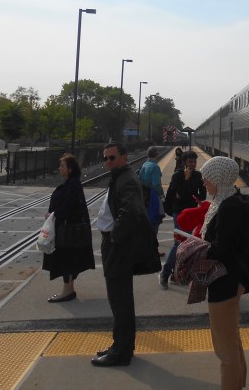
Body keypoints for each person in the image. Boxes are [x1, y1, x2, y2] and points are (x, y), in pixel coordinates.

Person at [93, 142, 161, 367]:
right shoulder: (122, 176)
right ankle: (121, 346)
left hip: (118, 247)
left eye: (112, 158)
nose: (107, 162)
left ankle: (120, 352)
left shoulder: (126, 179)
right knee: (120, 301)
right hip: (117, 246)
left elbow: (131, 211)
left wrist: (114, 236)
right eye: (105, 158)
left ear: (124, 157)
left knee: (120, 301)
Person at [199, 156, 249, 390]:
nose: (204, 182)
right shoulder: (228, 200)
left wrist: (197, 247)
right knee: (232, 342)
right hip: (230, 280)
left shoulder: (228, 207)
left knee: (225, 350)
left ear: (219, 178)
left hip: (225, 282)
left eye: (207, 178)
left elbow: (222, 249)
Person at [42, 153, 95, 303]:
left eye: (62, 166)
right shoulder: (72, 183)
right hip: (69, 229)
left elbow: (67, 208)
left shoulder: (72, 185)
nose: (59, 169)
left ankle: (66, 291)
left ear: (70, 169)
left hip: (68, 230)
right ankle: (69, 290)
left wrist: (52, 216)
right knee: (69, 259)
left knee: (66, 259)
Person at [159, 151, 207, 288]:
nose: (193, 164)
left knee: (185, 244)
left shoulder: (198, 175)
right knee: (179, 243)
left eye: (194, 162)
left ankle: (176, 273)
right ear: (184, 162)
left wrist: (200, 186)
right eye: (190, 162)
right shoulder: (177, 176)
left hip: (191, 213)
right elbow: (180, 194)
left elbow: (202, 195)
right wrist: (186, 180)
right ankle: (166, 273)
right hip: (179, 212)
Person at [139, 146, 165, 235]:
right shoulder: (155, 167)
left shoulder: (144, 165)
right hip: (152, 197)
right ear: (157, 154)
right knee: (154, 220)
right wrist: (162, 196)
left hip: (143, 196)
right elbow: (156, 184)